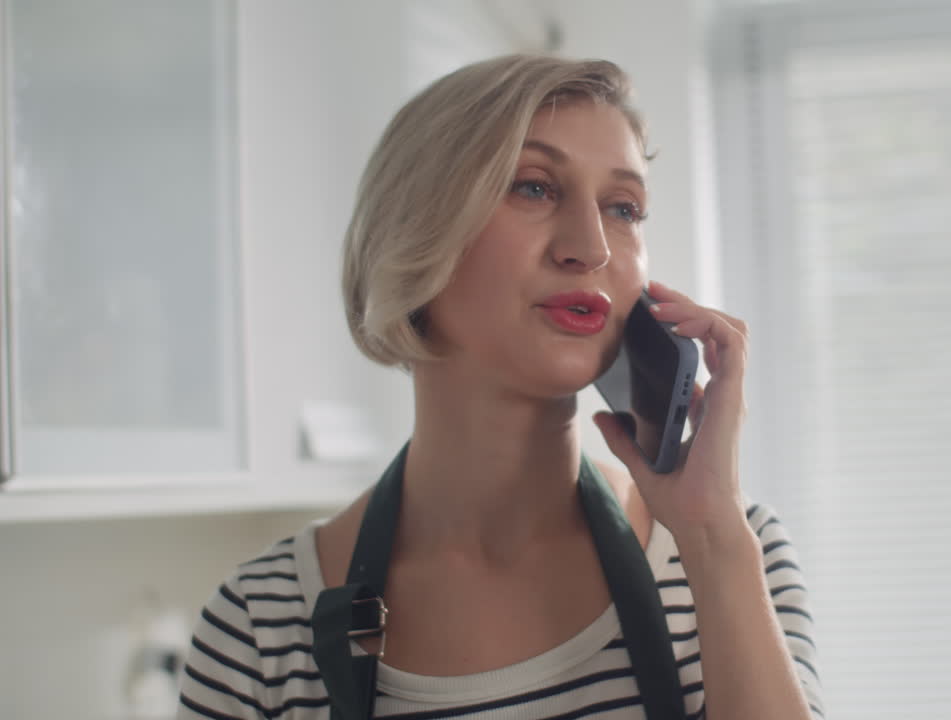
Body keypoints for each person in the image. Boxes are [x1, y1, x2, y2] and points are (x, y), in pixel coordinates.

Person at [176, 54, 822, 720]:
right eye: (534, 187)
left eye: (623, 207)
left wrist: (713, 540)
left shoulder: (737, 553)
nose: (592, 247)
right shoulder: (262, 627)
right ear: (415, 233)